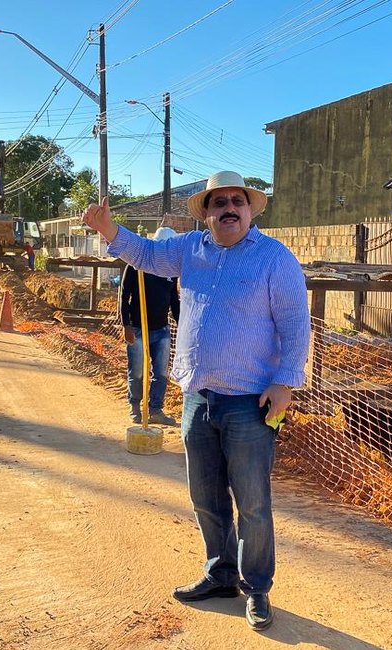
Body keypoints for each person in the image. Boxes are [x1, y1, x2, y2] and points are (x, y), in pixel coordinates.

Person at [83, 171, 310, 632]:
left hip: (252, 403)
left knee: (252, 503)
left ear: (250, 210)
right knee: (205, 497)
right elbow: (145, 254)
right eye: (219, 202)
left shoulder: (274, 258)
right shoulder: (190, 250)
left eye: (237, 201)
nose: (229, 208)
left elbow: (295, 324)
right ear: (206, 213)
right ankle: (219, 574)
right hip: (198, 398)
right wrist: (109, 231)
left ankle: (256, 588)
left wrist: (285, 383)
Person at [121, 227, 180, 426]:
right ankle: (135, 406)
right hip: (137, 328)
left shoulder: (171, 270)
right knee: (137, 371)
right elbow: (124, 296)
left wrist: (182, 325)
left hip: (161, 329)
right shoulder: (137, 265)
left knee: (161, 373)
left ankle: (155, 409)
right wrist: (126, 325)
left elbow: (174, 300)